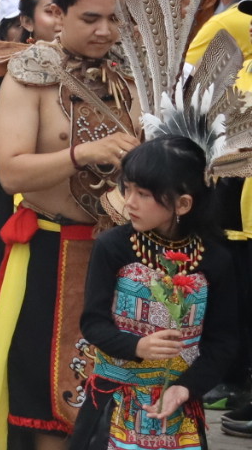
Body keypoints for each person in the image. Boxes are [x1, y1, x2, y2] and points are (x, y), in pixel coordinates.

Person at [0, 0, 140, 450]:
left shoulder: (133, 77)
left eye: (114, 19)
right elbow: (11, 173)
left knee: (123, 406)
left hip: (126, 260)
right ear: (57, 14)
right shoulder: (29, 75)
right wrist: (85, 154)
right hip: (52, 256)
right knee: (47, 410)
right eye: (91, 18)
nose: (105, 31)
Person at [71, 138, 240, 450]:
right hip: (114, 404)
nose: (129, 202)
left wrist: (186, 388)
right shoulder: (112, 247)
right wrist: (137, 345)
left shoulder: (215, 259)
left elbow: (223, 341)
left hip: (177, 410)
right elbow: (93, 324)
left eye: (143, 194)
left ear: (183, 203)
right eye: (128, 189)